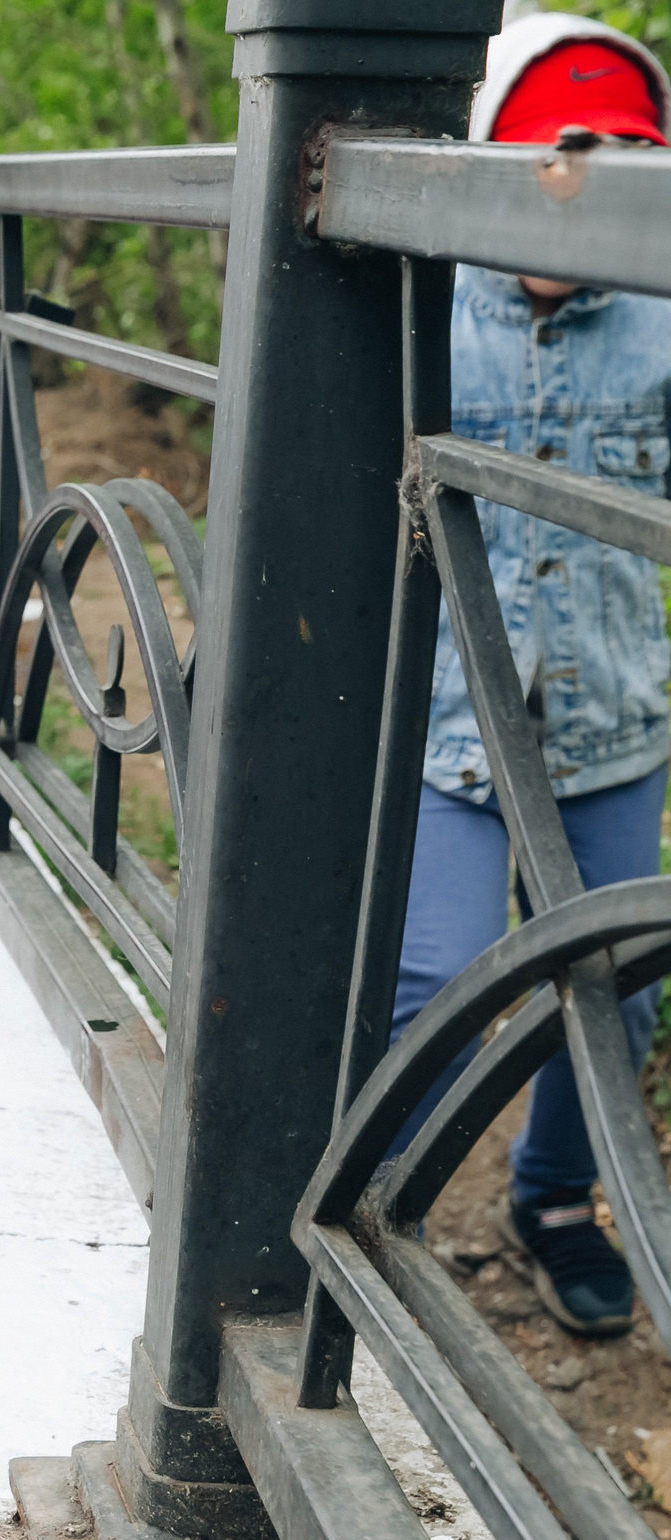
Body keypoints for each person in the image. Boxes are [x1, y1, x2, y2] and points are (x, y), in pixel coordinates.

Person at [388, 9, 671, 1339]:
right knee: (435, 974)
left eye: (619, 162)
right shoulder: (429, 297)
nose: (583, 188)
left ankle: (552, 1196)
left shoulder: (662, 311)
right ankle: (376, 1201)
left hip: (614, 716)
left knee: (622, 983)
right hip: (452, 715)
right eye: (562, 157)